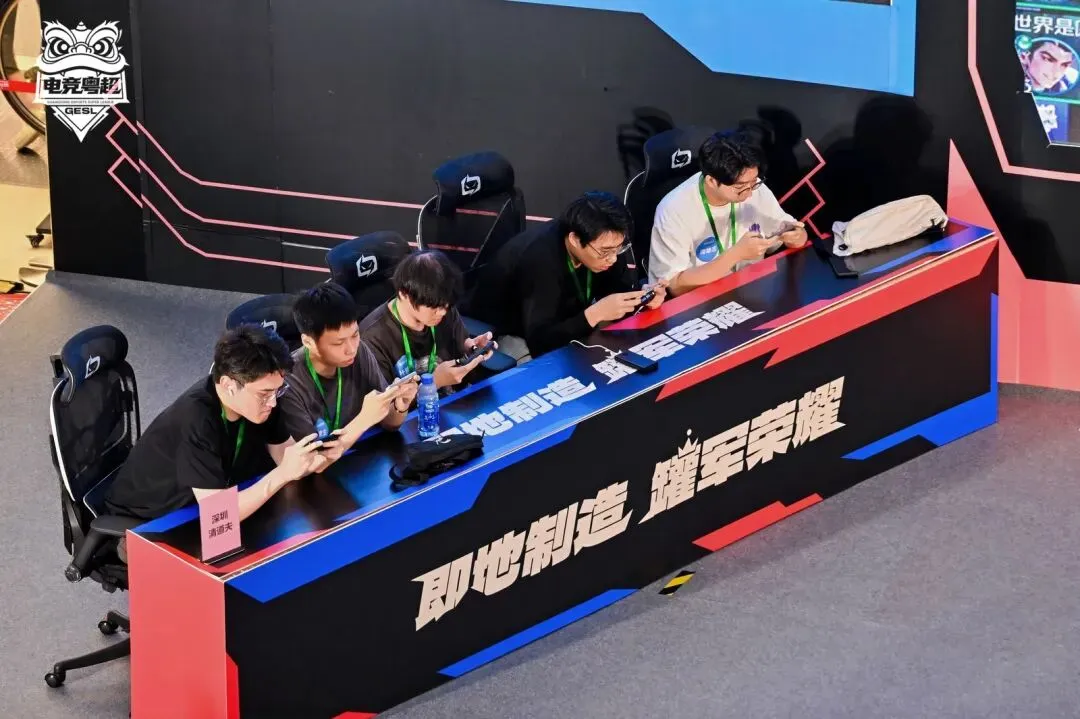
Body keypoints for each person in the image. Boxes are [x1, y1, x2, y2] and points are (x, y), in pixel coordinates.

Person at [103, 325, 330, 559]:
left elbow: (285, 454)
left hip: (204, 504)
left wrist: (315, 458)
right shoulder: (196, 418)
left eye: (278, 391)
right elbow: (220, 515)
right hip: (150, 523)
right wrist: (282, 474)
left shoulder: (264, 398)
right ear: (229, 385)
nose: (272, 402)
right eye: (264, 394)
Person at [464, 191, 666, 360]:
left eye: (619, 249)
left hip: (564, 323)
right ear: (575, 240)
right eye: (605, 252)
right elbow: (541, 343)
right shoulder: (539, 260)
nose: (613, 258)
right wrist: (594, 315)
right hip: (507, 333)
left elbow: (617, 291)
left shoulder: (605, 244)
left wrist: (642, 299)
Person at [648, 130, 808, 297]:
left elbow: (796, 236)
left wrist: (796, 236)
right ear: (711, 181)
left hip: (753, 289)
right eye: (740, 187)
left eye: (754, 182)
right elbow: (674, 286)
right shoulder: (674, 209)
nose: (750, 193)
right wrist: (735, 255)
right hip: (702, 299)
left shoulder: (754, 188)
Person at [280, 282, 417, 471]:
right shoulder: (288, 383)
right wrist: (364, 419)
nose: (351, 349)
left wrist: (401, 405)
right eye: (338, 343)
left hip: (360, 466)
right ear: (308, 342)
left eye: (355, 335)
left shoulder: (359, 352)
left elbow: (390, 423)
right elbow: (311, 465)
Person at [358, 250, 493, 393]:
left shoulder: (443, 306)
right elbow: (384, 404)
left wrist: (470, 349)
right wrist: (435, 382)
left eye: (446, 305)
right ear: (404, 294)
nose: (442, 312)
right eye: (434, 306)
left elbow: (459, 350)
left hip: (456, 399)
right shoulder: (372, 339)